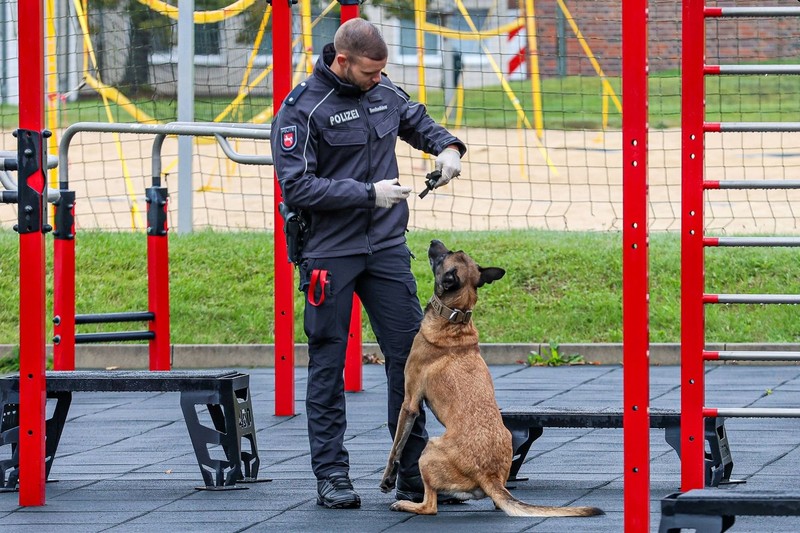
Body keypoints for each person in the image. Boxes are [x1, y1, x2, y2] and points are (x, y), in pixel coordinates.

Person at [271, 18, 466, 509]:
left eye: (382, 72)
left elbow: (415, 120)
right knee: (328, 361)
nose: (378, 79)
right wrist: (367, 194)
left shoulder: (382, 91)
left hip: (385, 249)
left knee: (411, 360)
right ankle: (332, 476)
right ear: (342, 61)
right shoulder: (301, 110)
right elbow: (296, 186)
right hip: (328, 252)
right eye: (369, 72)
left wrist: (447, 148)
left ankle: (413, 476)